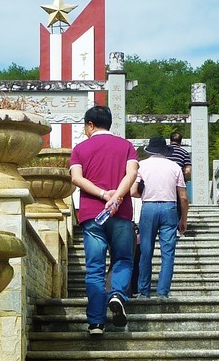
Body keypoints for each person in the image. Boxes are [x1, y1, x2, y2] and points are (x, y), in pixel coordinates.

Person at [69, 104, 139, 335]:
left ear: (90, 124)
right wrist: (117, 197)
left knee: (95, 268)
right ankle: (117, 294)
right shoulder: (127, 146)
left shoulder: (80, 149)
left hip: (92, 215)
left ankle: (96, 323)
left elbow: (77, 178)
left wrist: (102, 194)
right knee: (123, 260)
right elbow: (131, 174)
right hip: (121, 212)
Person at [132, 136, 188, 299]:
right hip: (169, 208)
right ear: (165, 151)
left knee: (145, 251)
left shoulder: (142, 165)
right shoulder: (175, 167)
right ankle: (163, 292)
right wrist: (183, 219)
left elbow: (133, 191)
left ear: (150, 150)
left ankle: (144, 291)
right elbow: (183, 197)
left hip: (148, 207)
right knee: (168, 252)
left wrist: (146, 193)